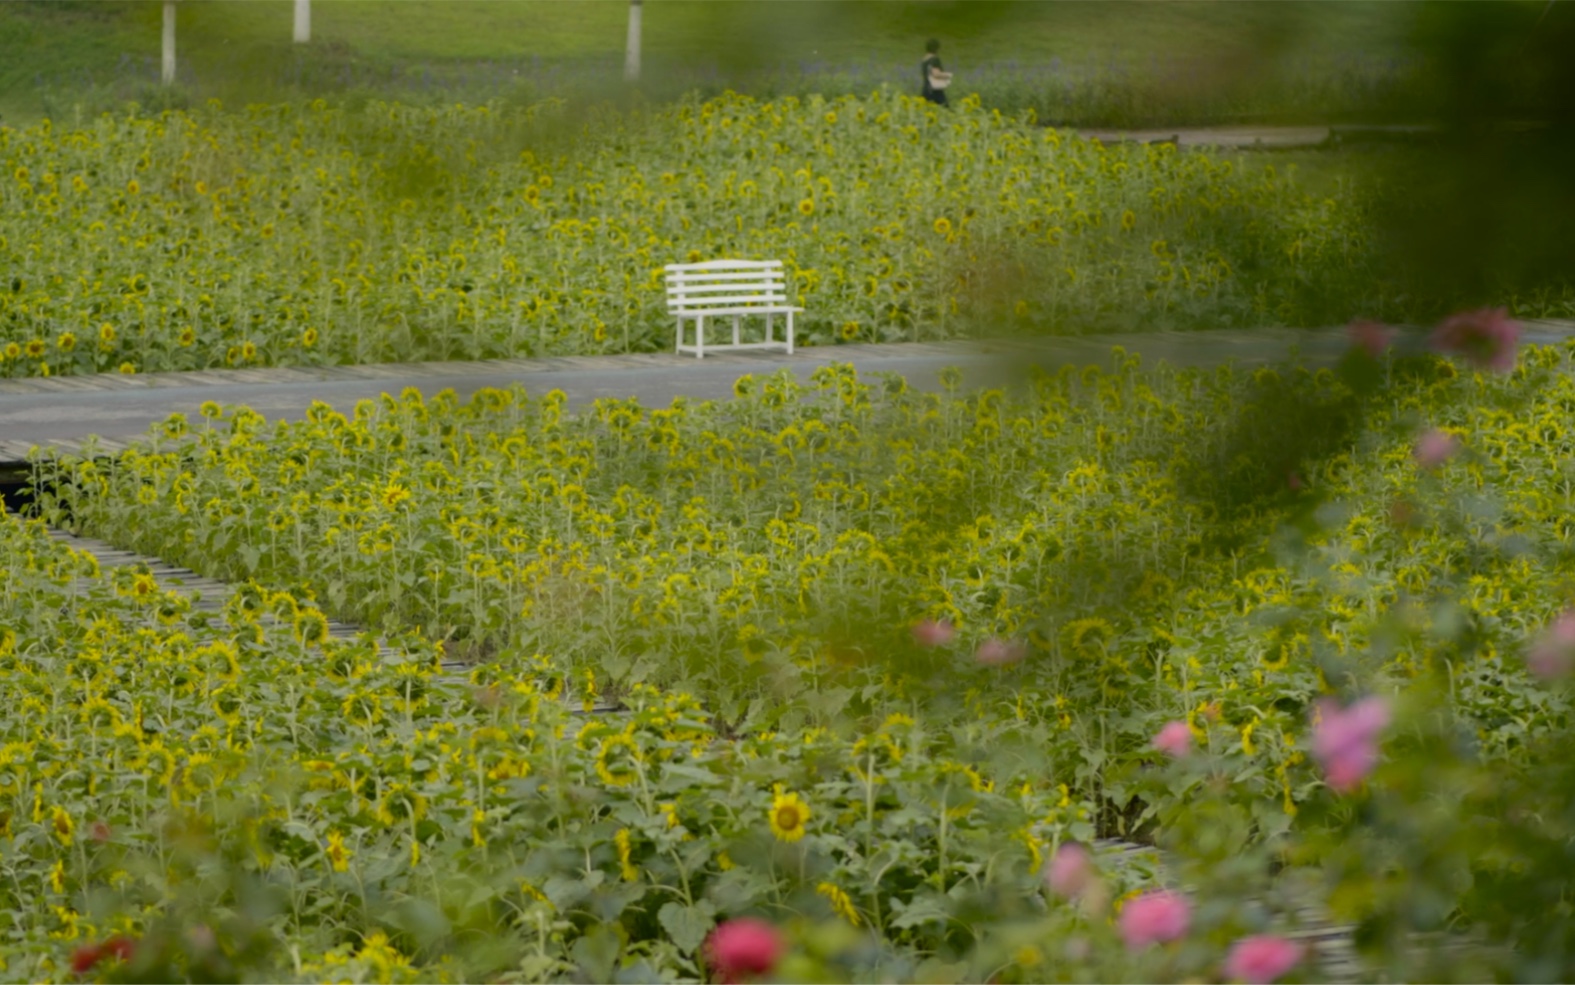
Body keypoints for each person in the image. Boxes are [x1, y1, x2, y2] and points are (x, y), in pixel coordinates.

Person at [920, 39, 952, 106]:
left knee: (926, 108)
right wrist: (948, 75)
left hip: (926, 88)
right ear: (936, 48)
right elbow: (936, 74)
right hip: (935, 90)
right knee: (945, 107)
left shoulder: (924, 59)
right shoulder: (935, 59)